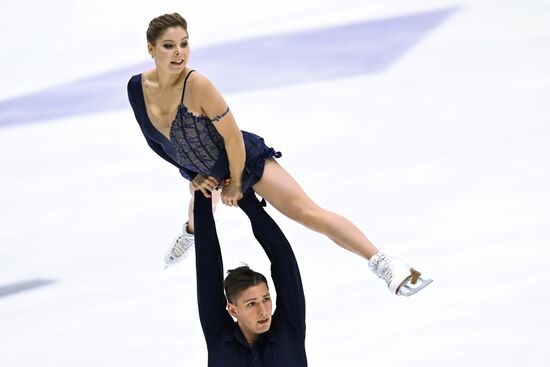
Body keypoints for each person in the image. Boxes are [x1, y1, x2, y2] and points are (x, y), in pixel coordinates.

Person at [126, 12, 432, 296]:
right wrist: (193, 174)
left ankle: (385, 265)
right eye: (169, 46)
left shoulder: (199, 85)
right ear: (151, 49)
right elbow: (155, 141)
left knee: (307, 214)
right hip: (201, 168)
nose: (179, 52)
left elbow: (232, 138)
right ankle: (189, 234)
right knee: (197, 209)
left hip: (243, 160)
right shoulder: (137, 88)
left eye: (184, 43)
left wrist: (234, 184)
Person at [194, 189, 307, 366]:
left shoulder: (289, 329)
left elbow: (285, 263)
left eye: (266, 299)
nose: (263, 311)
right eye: (251, 304)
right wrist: (202, 195)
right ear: (233, 310)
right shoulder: (220, 337)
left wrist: (246, 199)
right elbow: (207, 268)